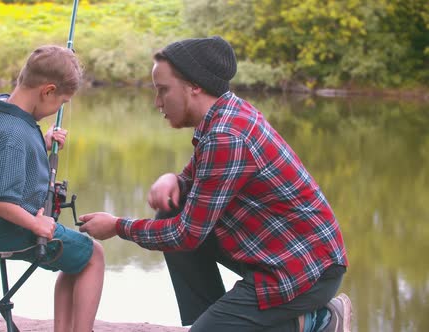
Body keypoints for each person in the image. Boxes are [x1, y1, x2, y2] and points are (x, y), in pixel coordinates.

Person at [78, 36, 351, 332]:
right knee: (171, 211)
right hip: (276, 254)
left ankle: (320, 320)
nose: (158, 102)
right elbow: (193, 180)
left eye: (163, 90)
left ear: (194, 86)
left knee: (177, 228)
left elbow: (187, 235)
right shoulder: (225, 115)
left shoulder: (226, 137)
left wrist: (118, 226)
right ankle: (208, 321)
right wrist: (175, 179)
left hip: (303, 271)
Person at [0, 45, 104, 332]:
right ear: (48, 90)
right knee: (94, 255)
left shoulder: (7, 111)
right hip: (16, 233)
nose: (59, 109)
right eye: (62, 102)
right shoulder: (14, 134)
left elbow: (10, 157)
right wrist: (36, 224)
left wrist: (41, 143)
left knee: (76, 259)